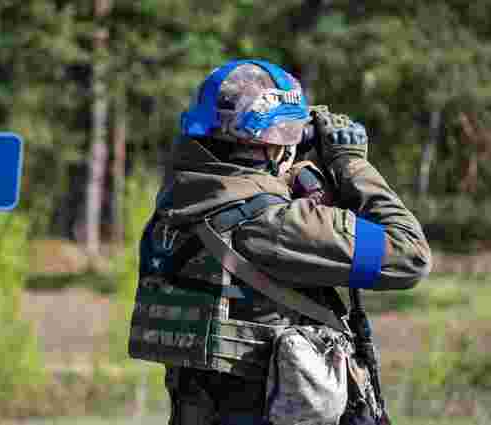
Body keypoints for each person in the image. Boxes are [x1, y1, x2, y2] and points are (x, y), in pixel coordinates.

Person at [128, 59, 432, 425]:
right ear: (272, 147)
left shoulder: (175, 209)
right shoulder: (276, 225)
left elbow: (239, 182)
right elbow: (409, 254)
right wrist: (351, 164)